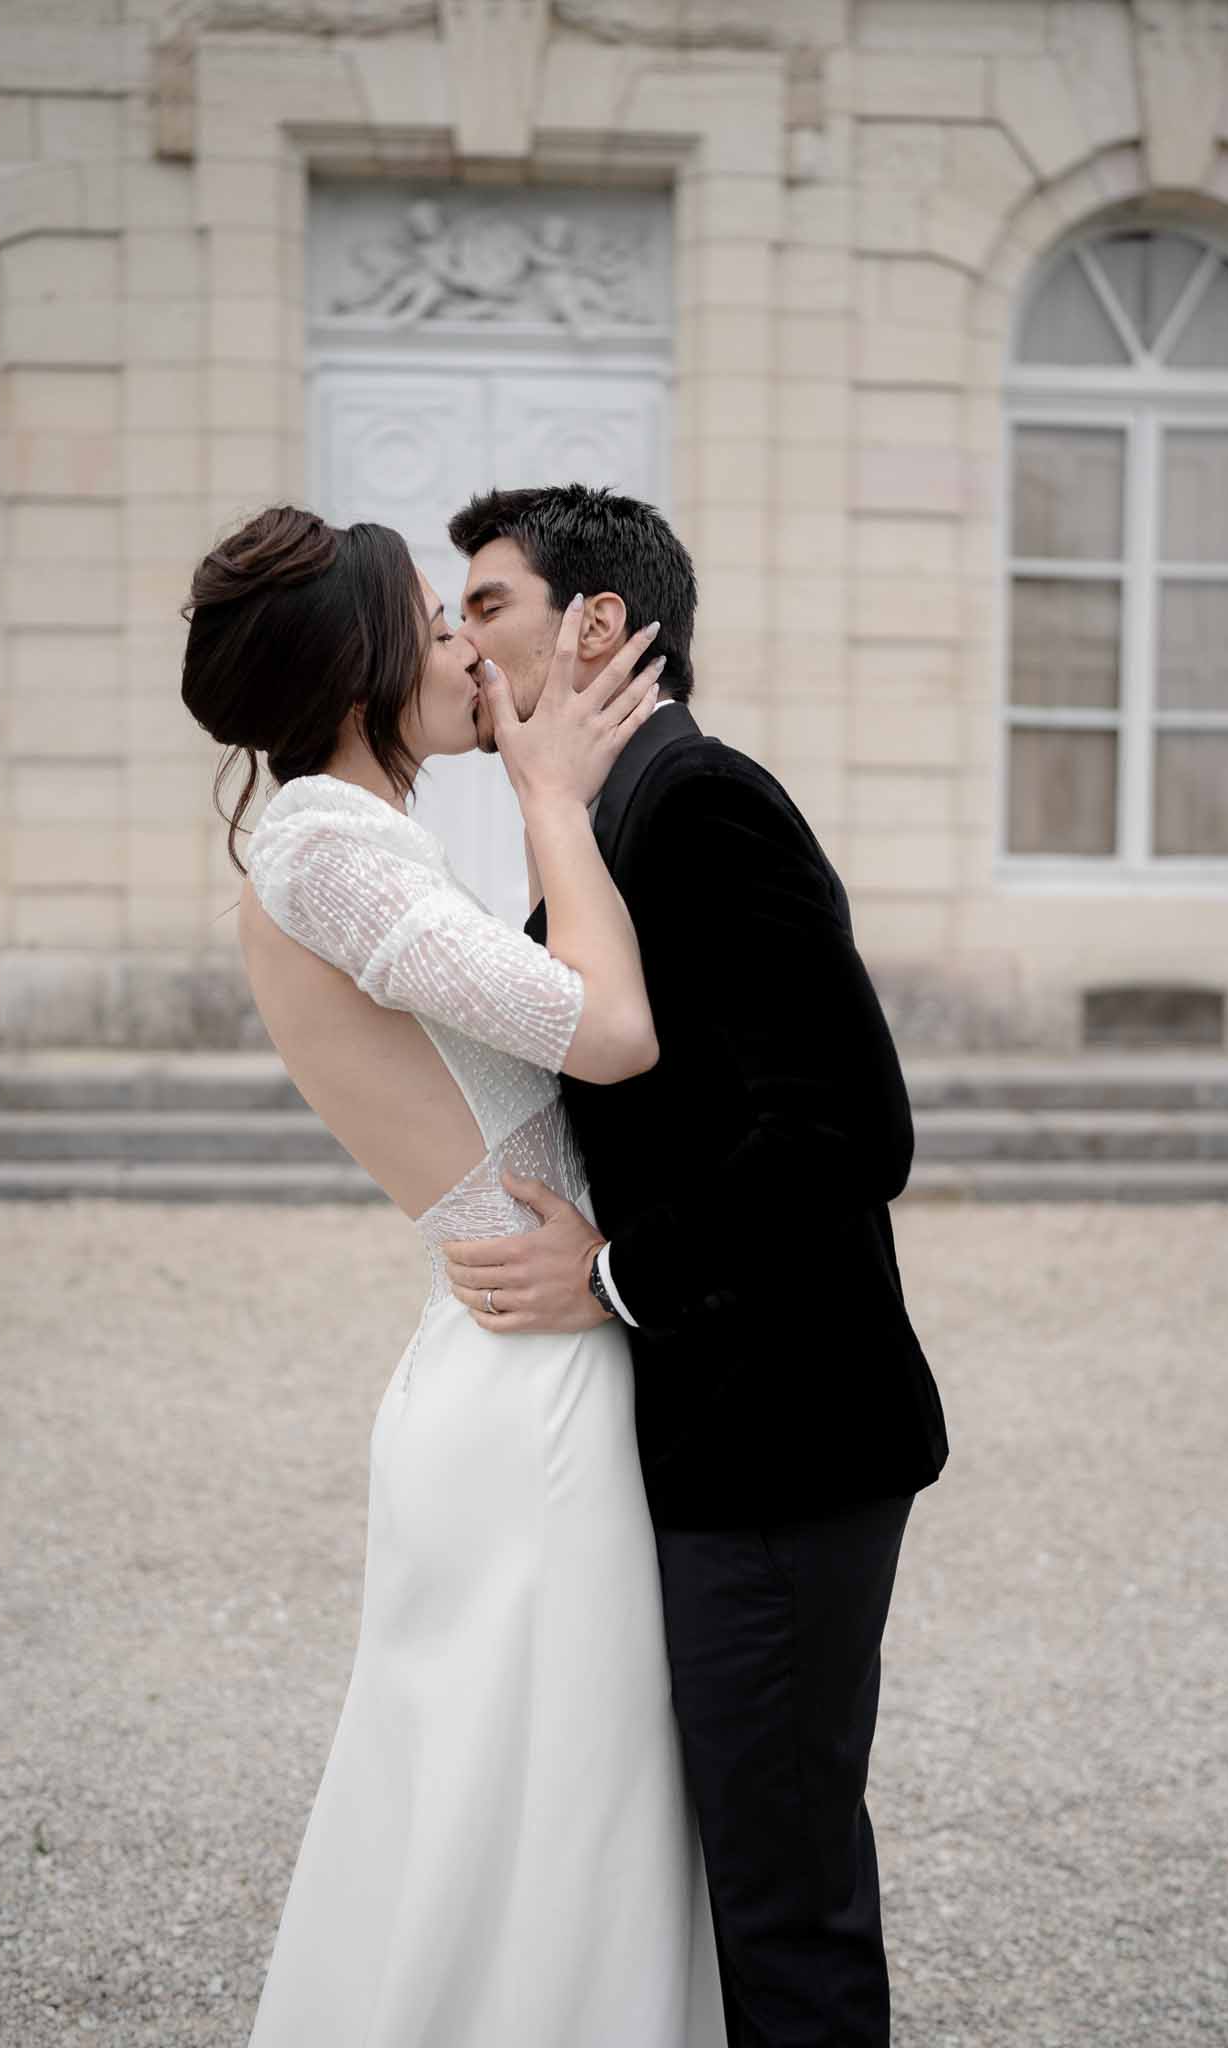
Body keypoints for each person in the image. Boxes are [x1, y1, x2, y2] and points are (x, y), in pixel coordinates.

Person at [179, 503, 726, 2048]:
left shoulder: (343, 843)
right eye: (433, 626)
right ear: (360, 667)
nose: (467, 647)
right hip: (524, 1393)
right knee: (540, 1811)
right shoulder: (333, 852)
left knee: (530, 1799)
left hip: (511, 1356)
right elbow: (611, 1033)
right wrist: (553, 794)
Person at [441, 483, 950, 2048]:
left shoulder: (703, 803)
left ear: (595, 623)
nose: (460, 642)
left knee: (779, 1887)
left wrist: (613, 1277)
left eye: (487, 606)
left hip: (783, 1435)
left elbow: (846, 1128)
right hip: (704, 1426)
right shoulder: (611, 810)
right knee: (712, 1870)